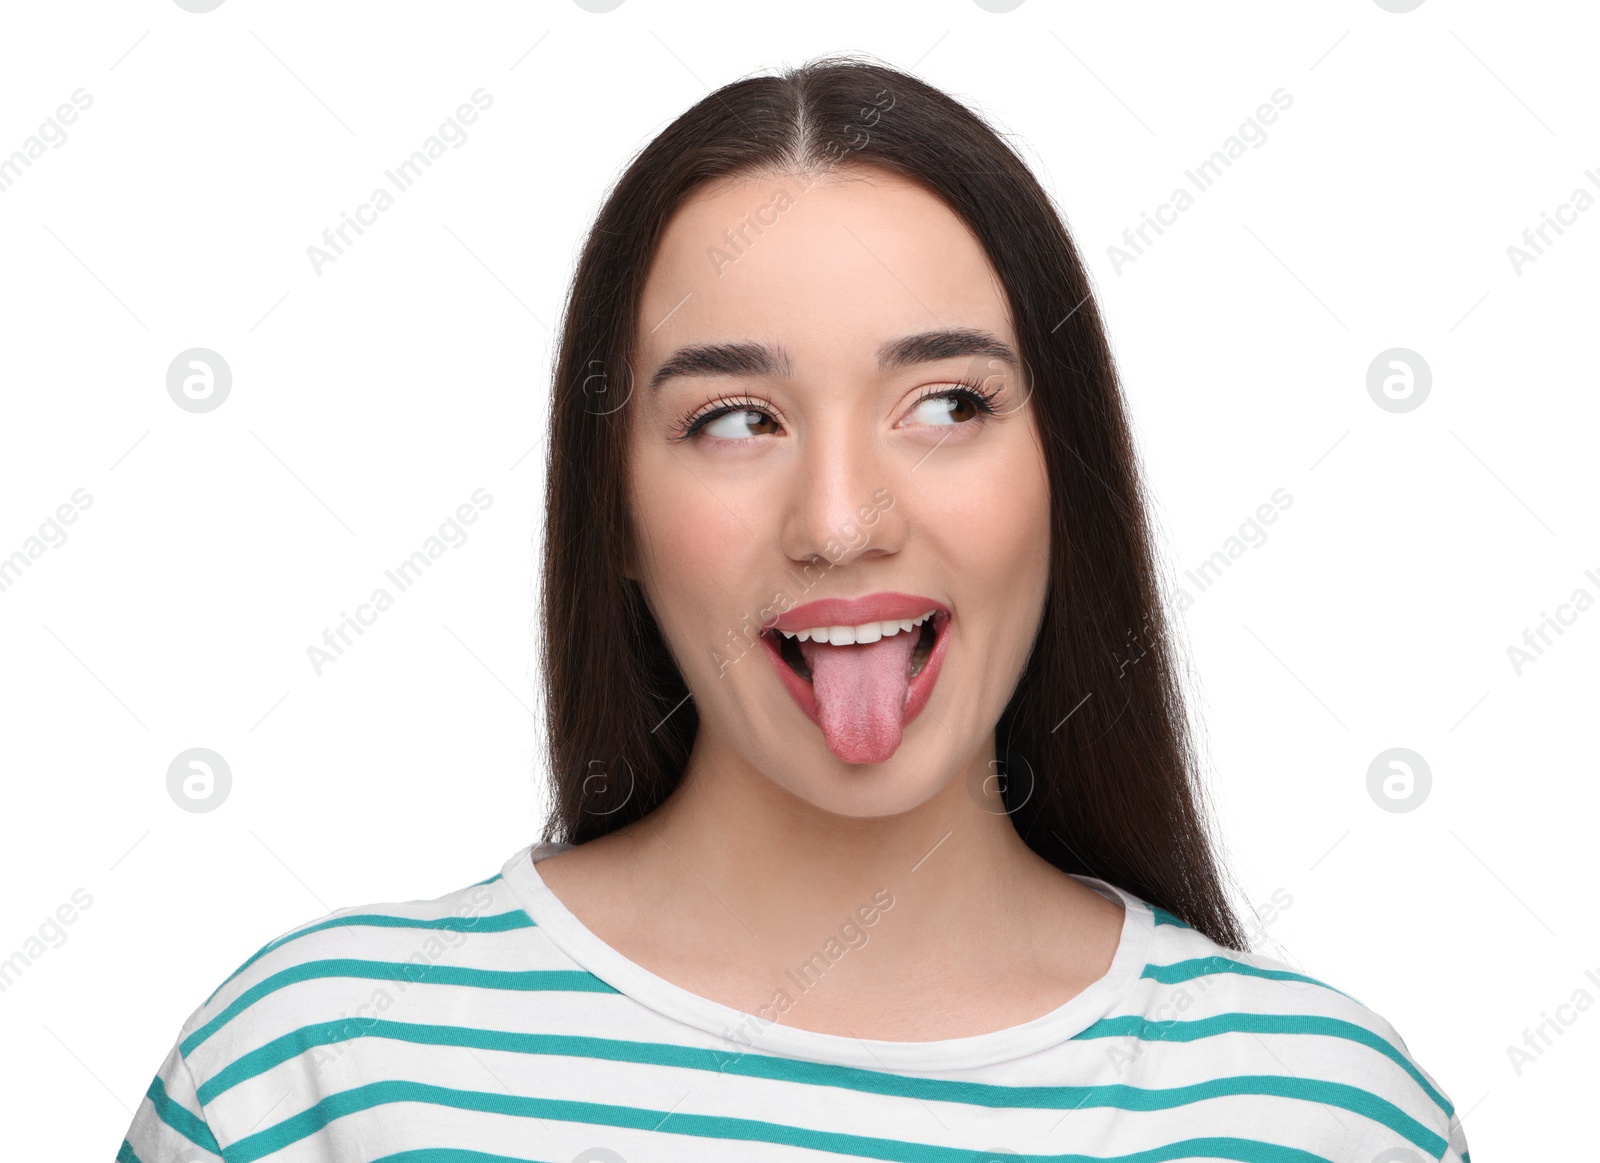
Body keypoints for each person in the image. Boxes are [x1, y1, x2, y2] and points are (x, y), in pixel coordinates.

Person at [120, 53, 1471, 1162]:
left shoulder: (1318, 1114)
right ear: (619, 520)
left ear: (1066, 476)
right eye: (734, 419)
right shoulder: (313, 1073)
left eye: (946, 404)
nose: (842, 521)